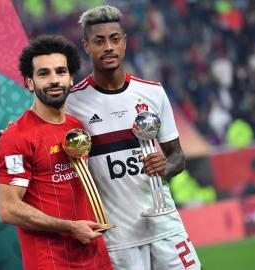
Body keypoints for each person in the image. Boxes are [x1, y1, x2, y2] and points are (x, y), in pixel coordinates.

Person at [64, 5, 202, 270]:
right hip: (119, 239)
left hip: (165, 227)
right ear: (86, 46)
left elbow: (178, 157)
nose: (108, 47)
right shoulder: (73, 103)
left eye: (115, 39)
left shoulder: (153, 93)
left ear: (124, 43)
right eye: (99, 41)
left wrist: (166, 167)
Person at [0, 35, 112, 270]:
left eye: (60, 72)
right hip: (52, 262)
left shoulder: (77, 128)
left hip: (95, 257)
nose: (54, 80)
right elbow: (8, 209)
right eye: (43, 74)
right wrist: (70, 226)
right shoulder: (17, 137)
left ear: (70, 77)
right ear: (29, 83)